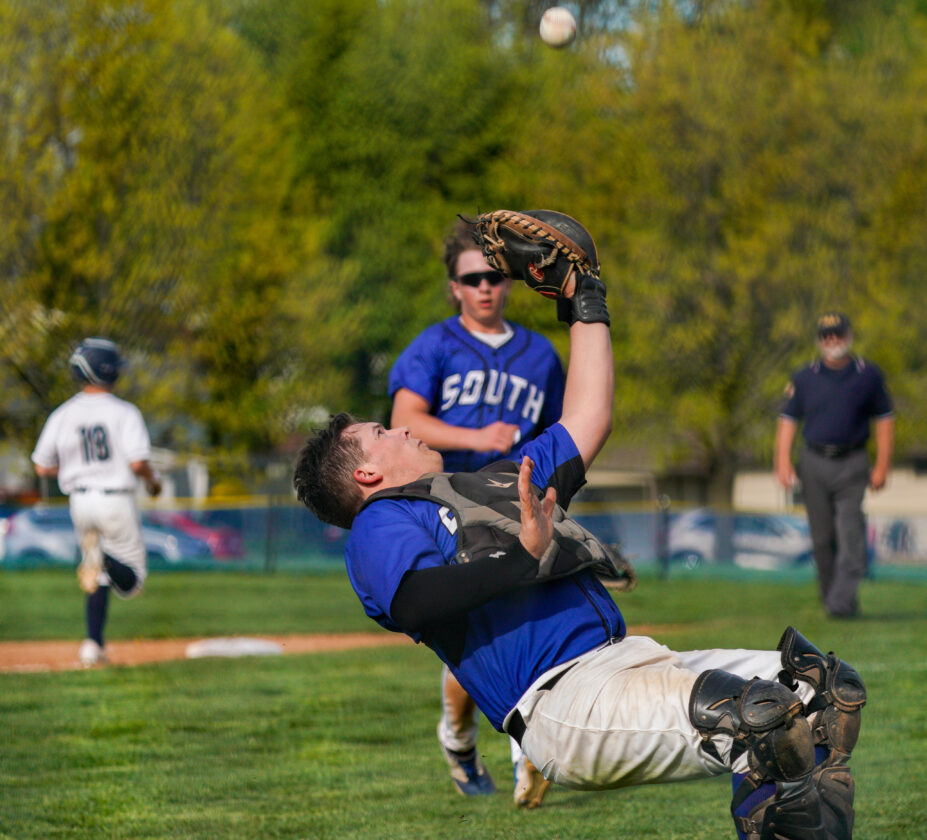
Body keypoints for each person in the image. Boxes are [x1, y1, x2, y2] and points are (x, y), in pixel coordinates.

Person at [294, 213, 866, 840]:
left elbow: (588, 417)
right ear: (368, 476)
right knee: (757, 714)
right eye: (382, 434)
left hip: (628, 662)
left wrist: (585, 298)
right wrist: (522, 560)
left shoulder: (488, 483)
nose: (401, 427)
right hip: (564, 704)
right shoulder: (382, 520)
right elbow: (413, 600)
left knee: (816, 696)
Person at [388, 218, 566, 805]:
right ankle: (460, 737)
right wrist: (479, 433)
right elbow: (405, 420)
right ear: (454, 287)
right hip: (449, 500)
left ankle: (526, 754)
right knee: (471, 634)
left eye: (495, 275)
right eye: (472, 278)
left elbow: (561, 431)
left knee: (520, 618)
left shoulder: (539, 355)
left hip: (516, 498)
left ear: (509, 282)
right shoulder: (434, 346)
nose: (485, 287)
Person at [32, 337, 162, 667]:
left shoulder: (62, 414)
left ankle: (93, 644)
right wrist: (153, 481)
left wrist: (77, 468)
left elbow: (42, 466)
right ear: (108, 371)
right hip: (115, 501)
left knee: (98, 578)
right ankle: (103, 559)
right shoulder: (124, 412)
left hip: (79, 502)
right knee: (132, 581)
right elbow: (136, 462)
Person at [775, 312, 894, 619]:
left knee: (850, 532)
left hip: (853, 463)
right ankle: (835, 600)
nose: (832, 341)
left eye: (838, 334)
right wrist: (782, 459)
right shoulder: (804, 377)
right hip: (813, 462)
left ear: (849, 336)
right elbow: (788, 420)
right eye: (826, 336)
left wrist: (882, 465)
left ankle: (840, 603)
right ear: (819, 340)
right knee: (822, 538)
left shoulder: (868, 375)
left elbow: (884, 421)